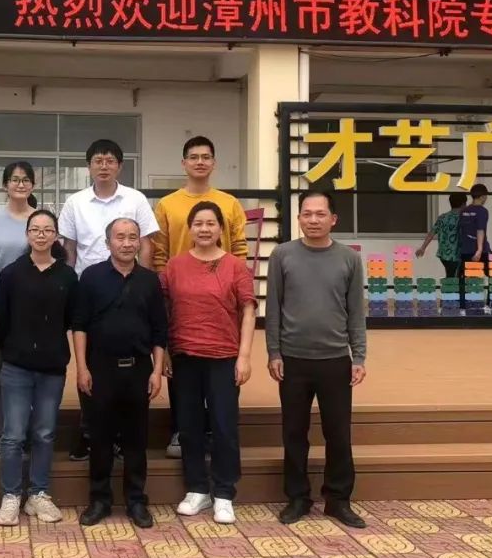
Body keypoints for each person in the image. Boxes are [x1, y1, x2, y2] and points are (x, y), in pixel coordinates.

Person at [265, 190, 367, 530]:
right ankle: (298, 497)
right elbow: (273, 307)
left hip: (335, 359)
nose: (313, 220)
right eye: (306, 214)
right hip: (292, 359)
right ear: (298, 218)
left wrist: (358, 355)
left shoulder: (349, 259)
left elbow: (356, 311)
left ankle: (338, 499)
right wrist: (274, 352)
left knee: (338, 433)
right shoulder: (282, 255)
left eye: (320, 214)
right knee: (294, 432)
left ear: (333, 219)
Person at [59, 139, 159, 461]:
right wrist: (68, 287)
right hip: (90, 288)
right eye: (98, 161)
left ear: (119, 166)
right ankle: (90, 431)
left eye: (110, 160)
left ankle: (119, 437)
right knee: (91, 360)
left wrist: (142, 282)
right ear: (89, 166)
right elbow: (69, 249)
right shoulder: (75, 202)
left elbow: (146, 243)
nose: (104, 166)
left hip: (129, 284)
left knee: (127, 357)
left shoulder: (135, 199)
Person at [153, 136, 249, 459]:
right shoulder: (167, 205)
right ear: (183, 163)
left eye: (205, 157)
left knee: (222, 365)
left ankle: (217, 430)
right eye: (193, 157)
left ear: (214, 163)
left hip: (221, 295)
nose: (199, 162)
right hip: (179, 293)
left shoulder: (229, 203)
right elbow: (160, 252)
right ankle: (181, 429)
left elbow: (239, 248)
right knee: (181, 359)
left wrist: (236, 285)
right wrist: (164, 289)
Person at [161, 202, 255, 524]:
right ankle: (197, 489)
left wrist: (244, 356)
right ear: (190, 228)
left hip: (224, 357)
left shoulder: (235, 266)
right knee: (189, 427)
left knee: (224, 426)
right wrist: (164, 353)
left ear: (220, 229)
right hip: (184, 356)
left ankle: (225, 493)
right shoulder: (174, 266)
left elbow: (248, 311)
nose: (204, 229)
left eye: (211, 223)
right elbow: (163, 310)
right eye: (198, 223)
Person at [75, 218, 166, 529]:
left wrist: (156, 371)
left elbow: (159, 330)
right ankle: (99, 500)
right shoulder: (91, 277)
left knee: (136, 438)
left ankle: (136, 500)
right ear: (108, 242)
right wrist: (82, 367)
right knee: (99, 437)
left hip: (139, 369)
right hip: (100, 369)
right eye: (120, 237)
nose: (127, 243)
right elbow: (79, 325)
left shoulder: (150, 281)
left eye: (132, 237)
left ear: (140, 242)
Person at [0, 210, 77, 526]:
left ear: (56, 236)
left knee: (44, 432)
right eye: (35, 229)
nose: (41, 235)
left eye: (48, 230)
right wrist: (14, 350)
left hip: (52, 367)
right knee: (13, 435)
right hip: (16, 366)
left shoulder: (67, 276)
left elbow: (70, 319)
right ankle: (11, 495)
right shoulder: (11, 273)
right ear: (27, 234)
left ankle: (39, 494)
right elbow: (2, 320)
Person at [0, 162, 39, 463]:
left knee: (31, 373)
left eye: (26, 179)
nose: (20, 184)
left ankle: (25, 435)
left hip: (32, 309)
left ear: (33, 185)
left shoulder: (39, 219)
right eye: (14, 179)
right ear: (5, 184)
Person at [415, 193, 468, 278]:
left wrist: (423, 248)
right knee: (455, 279)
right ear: (463, 204)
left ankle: (451, 285)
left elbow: (432, 233)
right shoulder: (463, 218)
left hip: (443, 255)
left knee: (451, 276)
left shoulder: (442, 217)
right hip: (456, 255)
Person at [457, 184, 491, 308]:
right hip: (479, 251)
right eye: (486, 196)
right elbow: (480, 230)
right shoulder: (482, 211)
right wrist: (479, 250)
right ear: (482, 197)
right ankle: (489, 304)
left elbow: (461, 231)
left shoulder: (463, 211)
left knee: (464, 277)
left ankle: (463, 305)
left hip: (465, 250)